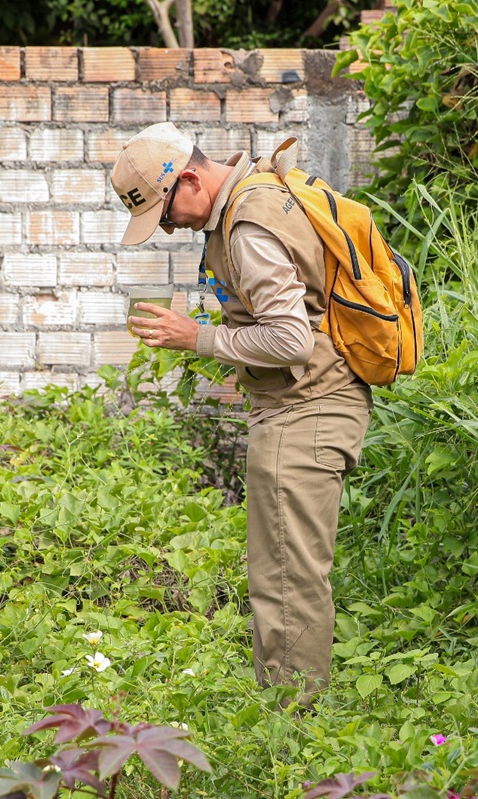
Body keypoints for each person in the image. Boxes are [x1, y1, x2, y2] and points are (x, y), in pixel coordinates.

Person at [111, 122, 373, 706]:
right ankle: (289, 710)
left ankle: (292, 727)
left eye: (164, 211)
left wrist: (197, 340)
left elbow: (291, 340)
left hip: (306, 409)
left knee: (287, 580)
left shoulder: (248, 226)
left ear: (189, 179)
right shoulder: (250, 195)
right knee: (283, 571)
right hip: (305, 407)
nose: (168, 226)